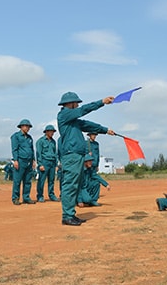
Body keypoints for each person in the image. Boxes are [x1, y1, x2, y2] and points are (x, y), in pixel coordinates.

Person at [57, 91, 115, 226]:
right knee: (70, 185)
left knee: (75, 186)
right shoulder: (64, 114)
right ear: (70, 103)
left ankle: (71, 214)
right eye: (76, 102)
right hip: (71, 155)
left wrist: (105, 130)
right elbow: (83, 110)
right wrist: (101, 102)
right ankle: (67, 216)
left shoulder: (73, 121)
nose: (77, 105)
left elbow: (88, 125)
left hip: (77, 155)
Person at [10, 119, 37, 205]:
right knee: (17, 181)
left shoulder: (29, 138)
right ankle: (15, 198)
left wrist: (33, 160)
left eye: (28, 126)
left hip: (29, 162)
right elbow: (14, 149)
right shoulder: (16, 136)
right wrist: (15, 160)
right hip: (20, 161)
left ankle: (26, 197)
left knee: (27, 180)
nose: (27, 128)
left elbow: (32, 149)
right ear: (21, 127)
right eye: (26, 126)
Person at [35, 125, 59, 202]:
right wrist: (40, 164)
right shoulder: (40, 141)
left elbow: (55, 153)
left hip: (52, 162)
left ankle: (51, 195)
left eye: (53, 132)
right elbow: (38, 153)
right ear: (46, 132)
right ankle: (40, 196)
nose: (52, 133)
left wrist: (56, 164)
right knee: (41, 180)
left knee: (51, 180)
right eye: (51, 131)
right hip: (44, 162)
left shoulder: (53, 142)